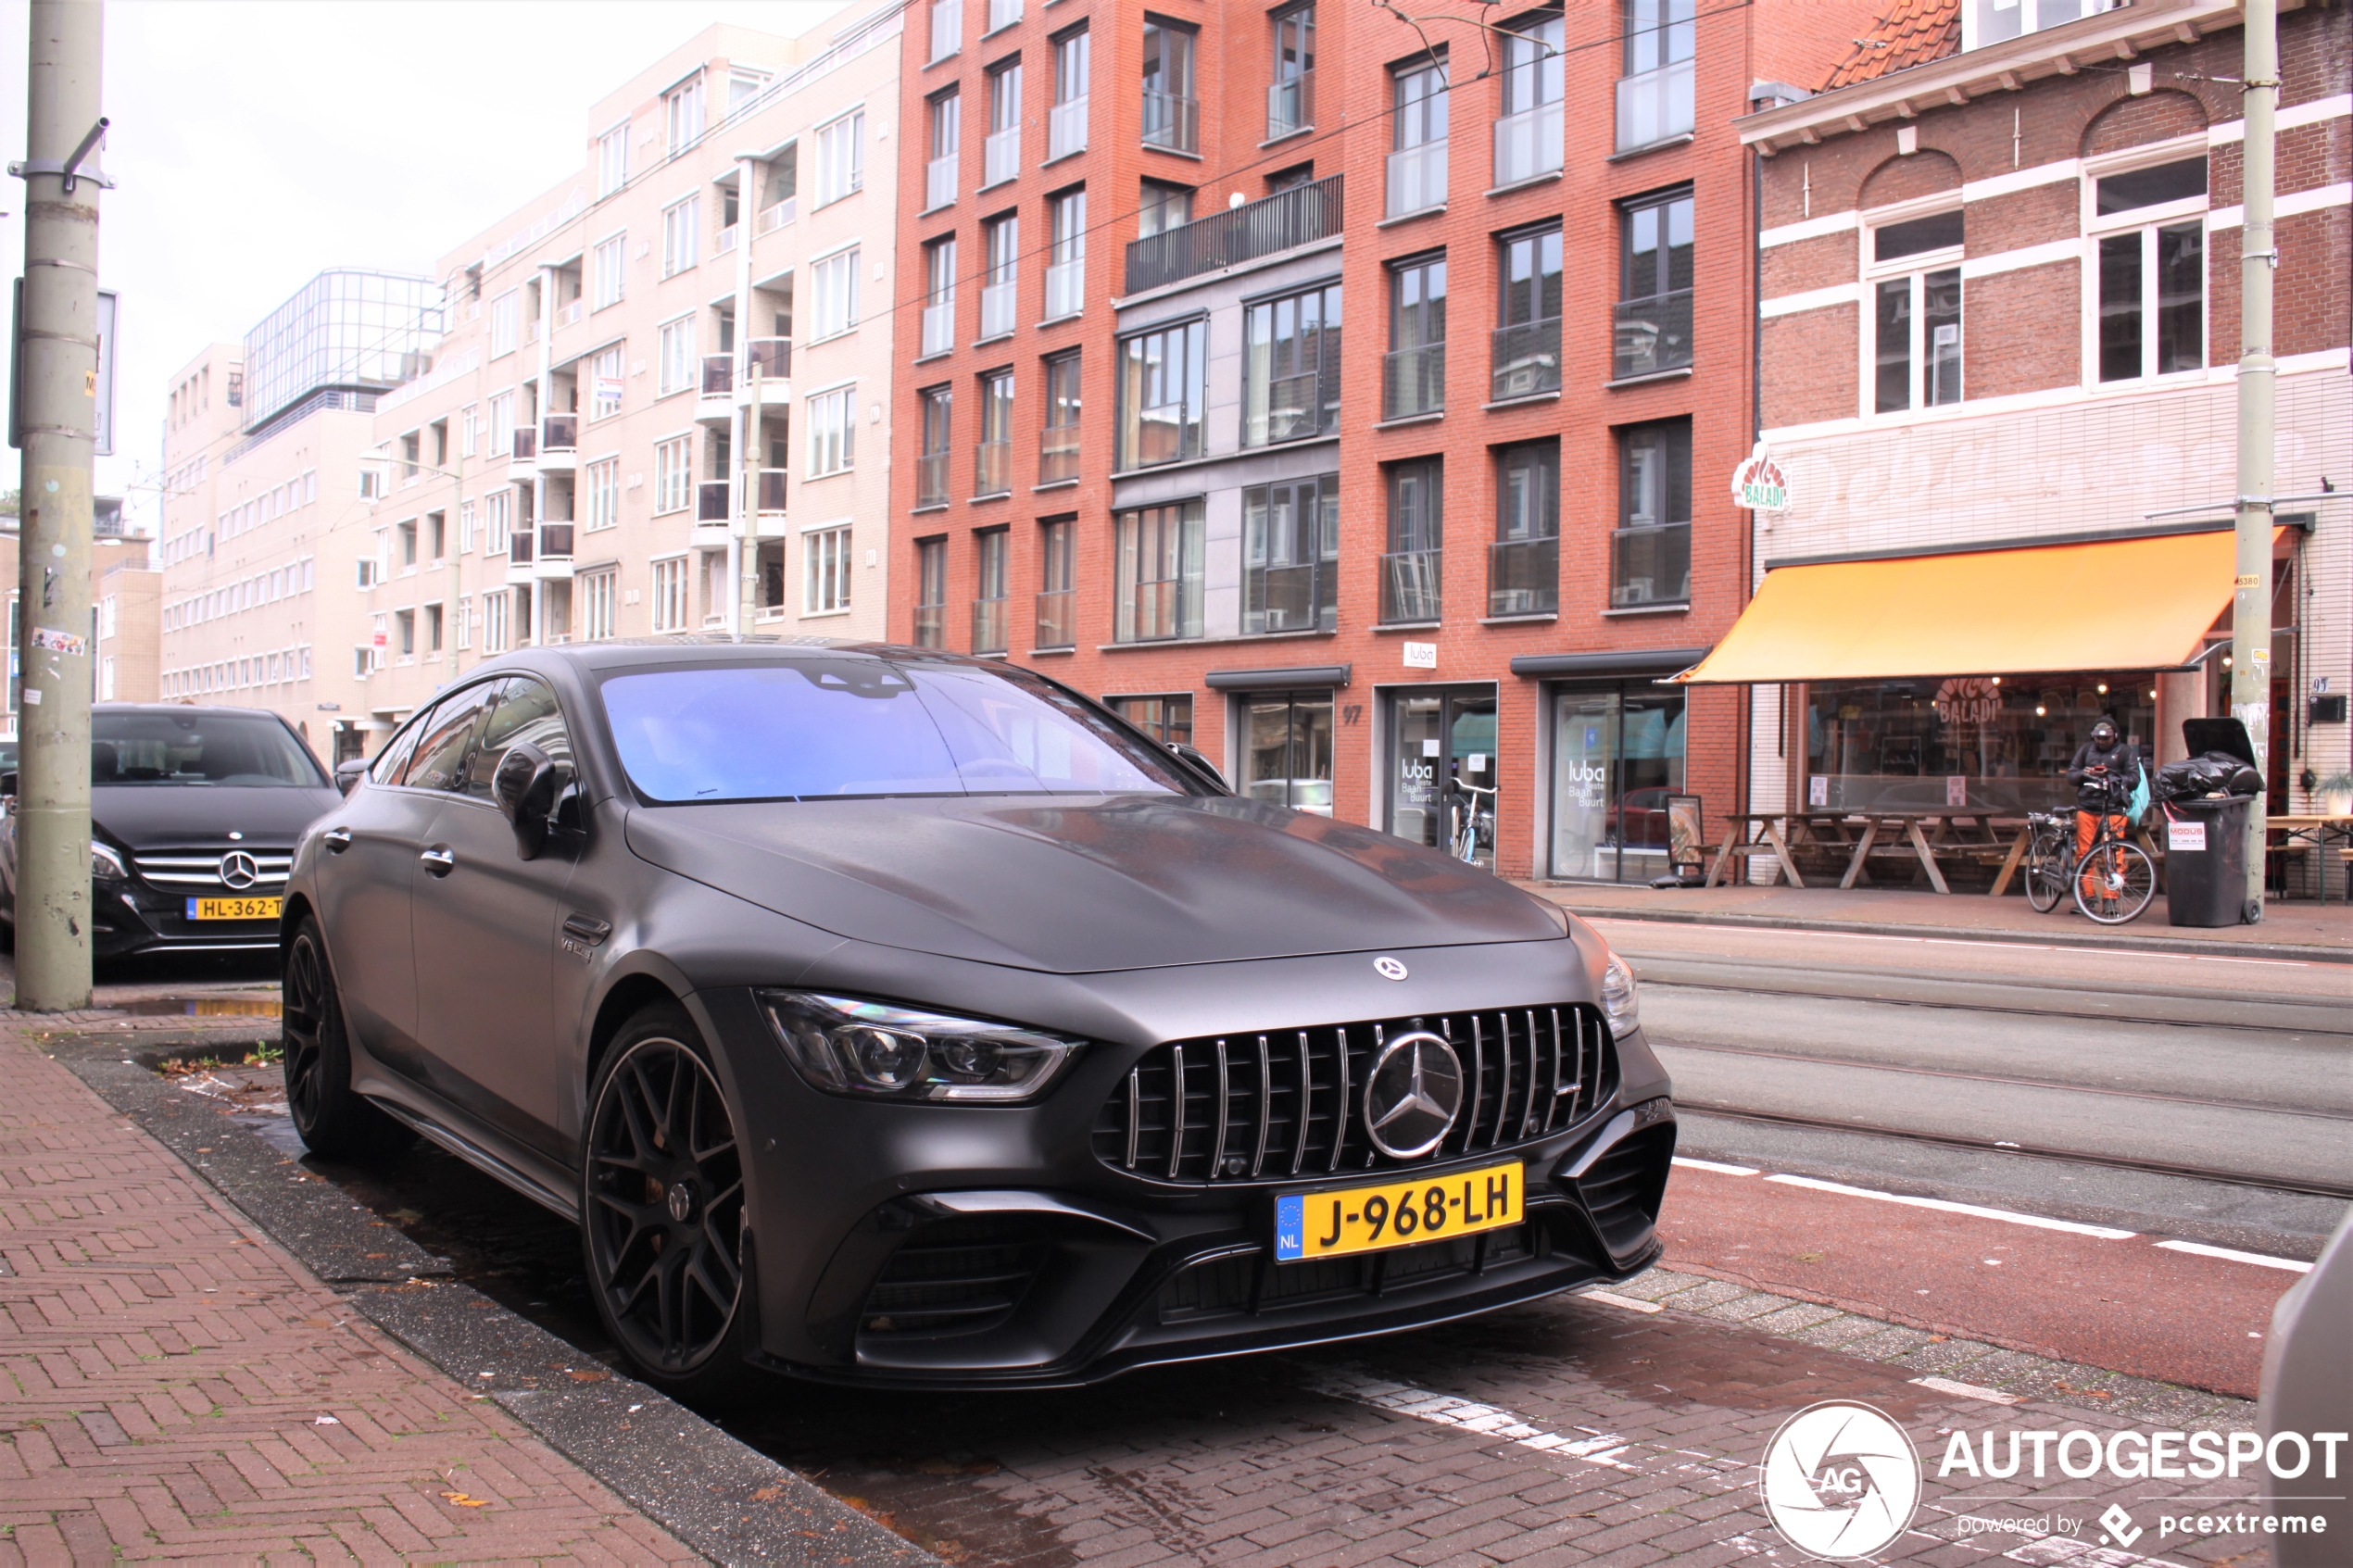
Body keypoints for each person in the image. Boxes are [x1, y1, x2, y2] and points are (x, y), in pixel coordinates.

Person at [2067, 719, 2142, 899]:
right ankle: (2086, 897)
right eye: (2097, 738)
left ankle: (2111, 898)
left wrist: (2110, 774)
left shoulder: (2125, 752)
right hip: (2087, 806)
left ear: (2115, 736)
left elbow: (2134, 779)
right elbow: (2071, 775)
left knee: (2114, 855)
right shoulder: (2086, 749)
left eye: (2106, 739)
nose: (2101, 742)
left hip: (2114, 807)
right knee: (2084, 854)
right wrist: (2085, 773)